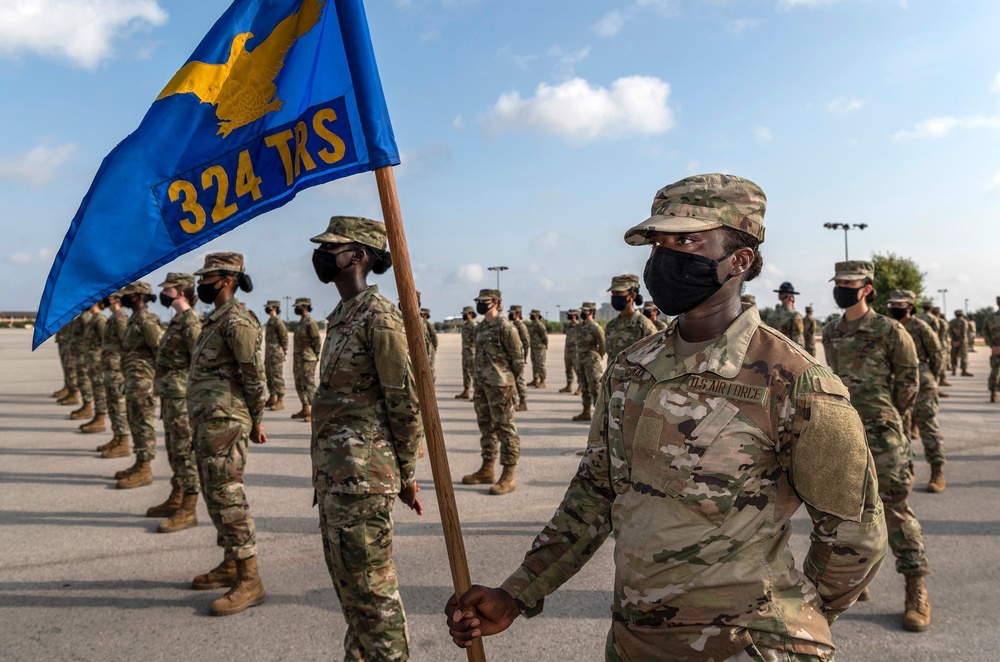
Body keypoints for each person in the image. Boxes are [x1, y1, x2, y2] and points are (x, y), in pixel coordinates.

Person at [446, 173, 887, 660]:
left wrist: (795, 620)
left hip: (745, 646)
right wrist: (518, 592)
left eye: (686, 240)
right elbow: (593, 495)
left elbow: (854, 533)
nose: (664, 258)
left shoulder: (795, 383)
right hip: (636, 643)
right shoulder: (632, 368)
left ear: (740, 260)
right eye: (658, 243)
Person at [309, 215, 425, 660]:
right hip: (337, 477)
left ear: (357, 256)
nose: (321, 255)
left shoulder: (379, 318)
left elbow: (405, 402)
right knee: (352, 593)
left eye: (331, 247)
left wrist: (407, 474)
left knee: (373, 598)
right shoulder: (343, 315)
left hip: (362, 479)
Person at [823, 261, 931, 632]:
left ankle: (915, 586)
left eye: (849, 283)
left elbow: (909, 382)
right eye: (838, 282)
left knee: (896, 510)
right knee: (849, 513)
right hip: (848, 434)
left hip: (884, 435)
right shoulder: (830, 332)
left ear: (867, 288)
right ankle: (858, 579)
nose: (842, 288)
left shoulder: (890, 331)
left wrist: (890, 419)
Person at [187, 252, 267, 616]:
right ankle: (232, 562)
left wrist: (257, 418)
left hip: (226, 422)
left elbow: (253, 375)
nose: (201, 283)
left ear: (227, 280)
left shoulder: (238, 321)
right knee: (214, 495)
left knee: (228, 497)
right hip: (208, 422)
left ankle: (250, 579)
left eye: (208, 277)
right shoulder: (213, 319)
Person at [148, 273, 203, 532]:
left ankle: (188, 508)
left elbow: (200, 362)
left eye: (167, 289)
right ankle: (177, 495)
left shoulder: (191, 323)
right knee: (173, 449)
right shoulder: (177, 320)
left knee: (184, 452)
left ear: (179, 292)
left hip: (182, 398)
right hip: (170, 396)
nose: (163, 293)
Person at [462, 289, 524, 495]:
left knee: (505, 429)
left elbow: (517, 359)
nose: (480, 305)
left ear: (496, 302)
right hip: (482, 384)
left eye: (484, 301)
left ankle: (508, 475)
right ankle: (487, 469)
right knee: (486, 427)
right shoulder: (480, 327)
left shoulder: (506, 327)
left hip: (501, 385)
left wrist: (512, 384)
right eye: (478, 301)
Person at [888, 290, 946, 493]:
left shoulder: (921, 327)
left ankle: (937, 471)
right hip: (897, 383)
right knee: (900, 429)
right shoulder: (889, 328)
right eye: (892, 305)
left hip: (921, 382)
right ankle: (905, 471)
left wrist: (931, 377)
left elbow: (938, 354)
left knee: (927, 426)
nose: (895, 309)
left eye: (899, 305)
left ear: (910, 308)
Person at [115, 282, 163, 490]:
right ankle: (139, 462)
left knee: (144, 424)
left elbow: (160, 350)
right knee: (135, 422)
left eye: (127, 295)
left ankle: (145, 468)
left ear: (137, 296)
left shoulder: (146, 320)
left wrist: (153, 379)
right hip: (133, 381)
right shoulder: (134, 318)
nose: (122, 299)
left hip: (144, 382)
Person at [96, 290, 132, 458]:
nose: (106, 300)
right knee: (112, 405)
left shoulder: (120, 319)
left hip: (118, 370)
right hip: (110, 369)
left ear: (117, 299)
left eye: (110, 297)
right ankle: (117, 438)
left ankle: (123, 442)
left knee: (118, 405)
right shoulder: (113, 318)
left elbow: (126, 345)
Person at [604, 274, 657, 361]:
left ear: (632, 296)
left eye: (619, 293)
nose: (615, 296)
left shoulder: (644, 326)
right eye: (613, 293)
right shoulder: (611, 325)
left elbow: (655, 358)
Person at [78, 301, 108, 433]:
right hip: (91, 361)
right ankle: (97, 415)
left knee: (99, 389)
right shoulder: (93, 319)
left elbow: (105, 342)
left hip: (98, 362)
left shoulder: (100, 320)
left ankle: (100, 418)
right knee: (95, 388)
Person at [572, 302, 605, 422]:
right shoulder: (579, 326)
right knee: (584, 386)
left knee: (595, 386)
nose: (582, 313)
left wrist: (596, 357)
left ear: (592, 312)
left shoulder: (595, 327)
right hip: (580, 360)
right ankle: (586, 411)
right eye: (582, 311)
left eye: (585, 311)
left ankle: (599, 416)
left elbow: (602, 344)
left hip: (591, 361)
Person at [292, 297, 322, 421]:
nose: (296, 309)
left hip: (308, 358)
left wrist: (315, 355)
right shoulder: (301, 322)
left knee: (309, 385)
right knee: (299, 383)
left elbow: (316, 341)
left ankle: (314, 412)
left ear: (304, 307)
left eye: (298, 307)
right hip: (299, 358)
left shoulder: (310, 322)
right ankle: (305, 409)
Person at [69, 307, 96, 421]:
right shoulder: (83, 316)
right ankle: (86, 405)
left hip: (84, 354)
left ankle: (88, 406)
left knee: (84, 380)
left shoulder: (87, 317)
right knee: (82, 379)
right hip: (80, 354)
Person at [918, 300, 949, 397]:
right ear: (931, 308)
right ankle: (935, 390)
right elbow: (936, 335)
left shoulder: (917, 318)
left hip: (919, 347)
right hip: (932, 347)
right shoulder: (934, 319)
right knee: (934, 368)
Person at [263, 300, 288, 411]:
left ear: (274, 308)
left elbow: (284, 338)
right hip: (269, 354)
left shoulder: (278, 322)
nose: (267, 309)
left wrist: (284, 352)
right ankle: (272, 397)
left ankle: (280, 400)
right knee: (269, 376)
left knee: (277, 377)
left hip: (276, 354)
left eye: (269, 307)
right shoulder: (270, 321)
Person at [508, 305, 530, 411]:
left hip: (519, 357)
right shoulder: (512, 325)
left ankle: (523, 402)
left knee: (519, 380)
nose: (510, 315)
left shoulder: (521, 327)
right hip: (512, 357)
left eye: (512, 313)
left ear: (517, 314)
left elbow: (526, 342)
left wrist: (524, 357)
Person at [770, 282, 805, 346]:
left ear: (779, 297)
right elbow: (798, 341)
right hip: (788, 353)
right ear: (791, 298)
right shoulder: (795, 315)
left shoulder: (771, 315)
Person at [52, 320, 78, 401]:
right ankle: (67, 387)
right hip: (63, 339)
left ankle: (74, 393)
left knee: (70, 366)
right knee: (65, 366)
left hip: (69, 341)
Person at [455, 306, 476, 400]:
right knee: (465, 372)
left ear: (471, 314)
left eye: (465, 314)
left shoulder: (474, 326)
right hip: (465, 352)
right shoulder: (465, 325)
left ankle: (477, 393)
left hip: (472, 353)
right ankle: (466, 391)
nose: (463, 315)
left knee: (474, 373)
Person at [982, 297, 1000, 403]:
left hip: (995, 348)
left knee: (995, 370)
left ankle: (993, 393)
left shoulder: (990, 318)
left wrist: (993, 346)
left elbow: (985, 333)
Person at [930, 306, 952, 388]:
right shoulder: (942, 322)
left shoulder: (924, 319)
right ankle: (940, 381)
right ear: (939, 313)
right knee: (940, 364)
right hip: (940, 344)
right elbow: (944, 335)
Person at [559, 309, 580, 394]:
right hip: (568, 349)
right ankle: (569, 386)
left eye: (570, 315)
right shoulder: (568, 326)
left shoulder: (579, 326)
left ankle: (580, 387)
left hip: (576, 350)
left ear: (575, 315)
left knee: (578, 369)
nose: (569, 316)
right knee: (568, 369)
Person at [527, 310, 548, 388]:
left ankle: (542, 381)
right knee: (534, 363)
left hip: (540, 347)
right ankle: (535, 379)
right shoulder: (532, 324)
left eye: (533, 315)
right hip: (533, 347)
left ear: (537, 315)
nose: (531, 316)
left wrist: (545, 344)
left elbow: (544, 336)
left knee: (540, 364)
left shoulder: (540, 325)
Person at [948, 310, 972, 376]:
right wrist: (960, 340)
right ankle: (963, 371)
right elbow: (964, 332)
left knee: (954, 355)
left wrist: (955, 339)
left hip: (954, 340)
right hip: (963, 341)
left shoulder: (951, 322)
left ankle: (954, 370)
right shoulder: (964, 322)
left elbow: (949, 331)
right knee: (964, 356)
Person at [420, 307, 438, 383]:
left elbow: (434, 336)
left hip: (429, 349)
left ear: (425, 315)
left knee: (430, 367)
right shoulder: (420, 323)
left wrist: (434, 347)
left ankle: (431, 385)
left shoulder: (428, 324)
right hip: (424, 348)